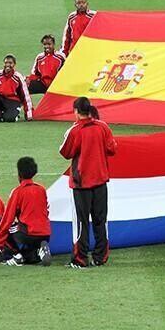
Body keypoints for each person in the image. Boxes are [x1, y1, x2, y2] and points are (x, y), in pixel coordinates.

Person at [58, 96, 118, 268]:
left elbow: (65, 152)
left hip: (81, 184)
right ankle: (100, 257)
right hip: (100, 181)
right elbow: (112, 149)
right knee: (101, 220)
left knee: (81, 222)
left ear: (76, 111)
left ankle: (80, 258)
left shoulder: (74, 131)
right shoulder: (103, 127)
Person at [0, 156, 52, 266]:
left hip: (28, 234)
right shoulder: (41, 189)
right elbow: (46, 211)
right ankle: (38, 252)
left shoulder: (18, 192)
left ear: (19, 173)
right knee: (29, 256)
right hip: (45, 233)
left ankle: (17, 255)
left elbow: (7, 219)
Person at [0, 55, 33, 122]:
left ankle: (11, 115)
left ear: (14, 64)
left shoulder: (18, 77)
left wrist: (29, 114)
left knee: (9, 119)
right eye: (6, 63)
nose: (8, 65)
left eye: (10, 63)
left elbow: (25, 95)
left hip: (12, 101)